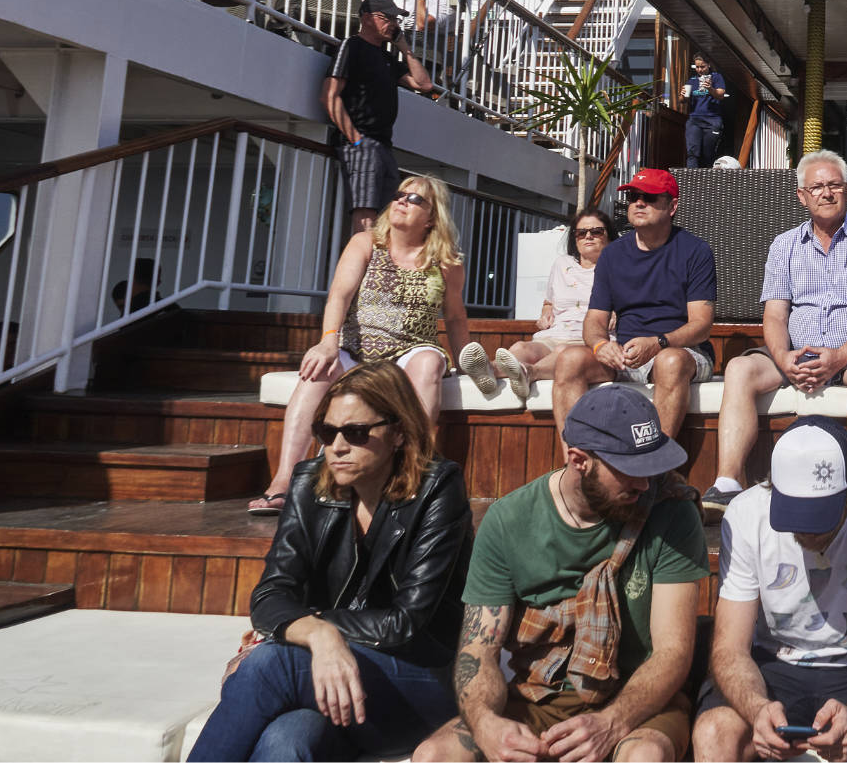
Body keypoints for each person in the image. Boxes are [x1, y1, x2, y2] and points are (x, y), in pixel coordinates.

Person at [190, 363, 471, 763]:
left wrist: (315, 625)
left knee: (271, 666)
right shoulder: (309, 484)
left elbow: (405, 621)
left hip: (421, 681)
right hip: (337, 684)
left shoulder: (438, 488)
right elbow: (271, 593)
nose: (336, 446)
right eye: (326, 432)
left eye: (355, 433)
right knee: (285, 740)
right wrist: (319, 638)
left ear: (399, 433)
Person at [413, 386, 707, 763]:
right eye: (630, 471)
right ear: (579, 459)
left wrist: (611, 724)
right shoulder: (508, 521)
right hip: (539, 697)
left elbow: (673, 653)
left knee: (643, 757)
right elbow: (479, 652)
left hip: (639, 703)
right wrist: (486, 723)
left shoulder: (672, 513)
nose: (645, 484)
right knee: (433, 756)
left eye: (652, 468)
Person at [693, 418, 847, 763]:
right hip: (771, 664)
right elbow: (730, 648)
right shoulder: (745, 514)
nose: (805, 530)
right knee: (713, 734)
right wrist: (756, 709)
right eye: (793, 513)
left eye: (819, 518)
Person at [701, 151, 847, 523]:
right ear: (801, 195)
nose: (826, 193)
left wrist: (839, 358)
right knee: (738, 368)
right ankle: (727, 482)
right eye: (817, 187)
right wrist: (782, 358)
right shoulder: (784, 245)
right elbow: (775, 315)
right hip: (795, 352)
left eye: (833, 185)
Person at [251, 176, 467, 517]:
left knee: (428, 365)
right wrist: (327, 341)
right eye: (399, 195)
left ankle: (413, 473)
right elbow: (339, 295)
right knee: (317, 369)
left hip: (412, 347)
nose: (402, 201)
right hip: (356, 346)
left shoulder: (447, 262)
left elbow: (454, 318)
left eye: (415, 199)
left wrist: (464, 361)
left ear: (432, 217)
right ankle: (283, 481)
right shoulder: (366, 243)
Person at [548, 169, 717, 458]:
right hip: (627, 355)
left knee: (670, 361)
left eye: (649, 197)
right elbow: (595, 321)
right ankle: (576, 463)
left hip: (682, 350)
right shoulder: (613, 255)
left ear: (672, 206)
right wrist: (601, 346)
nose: (638, 203)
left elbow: (701, 325)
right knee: (569, 360)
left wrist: (658, 342)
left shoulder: (695, 251)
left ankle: (655, 468)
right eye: (633, 197)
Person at [456, 208, 616, 402]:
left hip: (586, 341)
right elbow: (550, 299)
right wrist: (547, 310)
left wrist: (618, 312)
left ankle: (529, 372)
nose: (588, 236)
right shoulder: (562, 264)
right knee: (521, 347)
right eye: (581, 233)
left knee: (562, 353)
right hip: (555, 333)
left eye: (596, 231)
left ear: (609, 236)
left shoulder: (619, 268)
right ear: (575, 238)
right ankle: (489, 371)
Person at [322, 0, 435, 233]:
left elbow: (424, 85)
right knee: (365, 217)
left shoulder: (386, 57)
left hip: (384, 145)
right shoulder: (351, 46)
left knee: (387, 216)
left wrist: (404, 48)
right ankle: (363, 267)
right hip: (362, 141)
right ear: (367, 18)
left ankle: (377, 266)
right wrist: (357, 140)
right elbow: (330, 95)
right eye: (388, 18)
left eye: (396, 19)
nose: (393, 23)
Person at [681, 55, 730, 167]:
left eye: (702, 66)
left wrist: (710, 89)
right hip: (694, 119)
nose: (699, 70)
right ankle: (691, 178)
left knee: (708, 152)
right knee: (692, 152)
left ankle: (706, 180)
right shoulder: (692, 81)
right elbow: (682, 100)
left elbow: (721, 95)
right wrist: (683, 94)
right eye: (697, 67)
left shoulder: (716, 77)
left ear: (708, 64)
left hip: (712, 119)